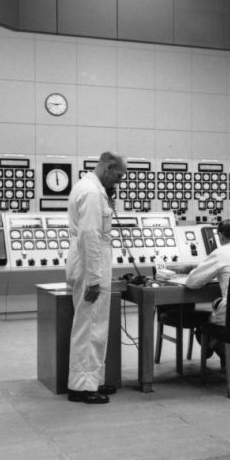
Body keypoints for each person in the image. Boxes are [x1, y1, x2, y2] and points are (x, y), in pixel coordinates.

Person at [66, 151, 127, 405]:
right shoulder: (91, 193)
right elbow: (89, 236)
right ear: (108, 167)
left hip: (94, 265)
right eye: (118, 176)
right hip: (91, 267)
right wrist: (93, 278)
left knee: (95, 326)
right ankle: (81, 387)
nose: (119, 182)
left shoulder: (94, 189)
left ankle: (92, 380)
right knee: (89, 327)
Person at [185, 218, 230, 364]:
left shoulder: (221, 252)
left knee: (209, 319)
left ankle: (213, 345)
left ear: (221, 236)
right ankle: (222, 349)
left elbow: (192, 283)